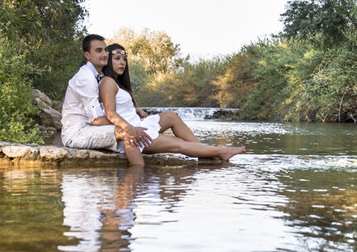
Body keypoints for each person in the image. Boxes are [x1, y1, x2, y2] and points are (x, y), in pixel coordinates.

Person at [94, 43, 246, 166]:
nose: (122, 62)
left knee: (171, 116)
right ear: (108, 60)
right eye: (117, 58)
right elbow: (110, 113)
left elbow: (119, 105)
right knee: (178, 144)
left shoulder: (115, 83)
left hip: (138, 123)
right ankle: (219, 152)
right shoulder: (107, 82)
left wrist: (136, 109)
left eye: (124, 59)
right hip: (134, 134)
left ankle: (205, 152)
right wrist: (132, 129)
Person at [60, 35, 152, 151]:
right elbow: (97, 119)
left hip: (91, 129)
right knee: (126, 132)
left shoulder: (98, 76)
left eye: (105, 50)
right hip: (77, 134)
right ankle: (137, 168)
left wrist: (134, 110)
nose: (104, 54)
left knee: (129, 128)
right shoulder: (86, 78)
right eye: (99, 51)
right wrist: (130, 126)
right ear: (87, 55)